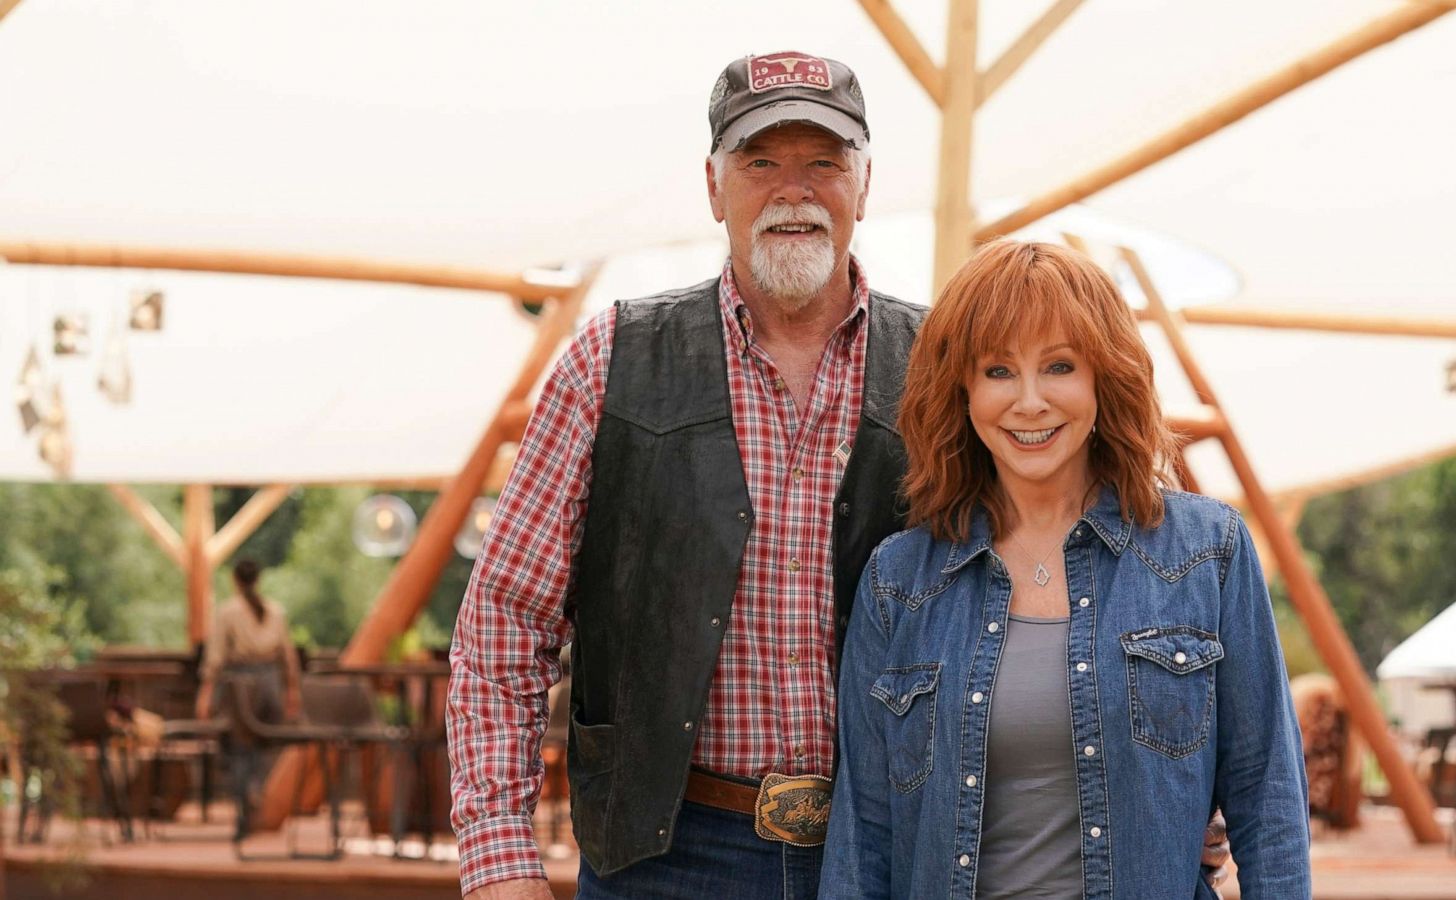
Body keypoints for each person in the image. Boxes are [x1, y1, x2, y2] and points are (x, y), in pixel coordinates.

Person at [447, 53, 1229, 900]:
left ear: (863, 183)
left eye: (824, 161)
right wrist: (498, 864)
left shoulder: (949, 364)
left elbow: (1081, 548)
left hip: (904, 849)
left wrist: (1179, 776)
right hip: (666, 859)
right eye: (760, 162)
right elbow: (504, 627)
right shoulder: (609, 362)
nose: (795, 190)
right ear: (714, 187)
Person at [819, 240, 1311, 899]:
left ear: (1103, 378)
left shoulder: (1206, 552)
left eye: (1058, 366)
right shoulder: (899, 582)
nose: (1028, 402)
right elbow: (864, 838)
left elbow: (1268, 799)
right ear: (962, 389)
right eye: (998, 371)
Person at [195, 557, 302, 838]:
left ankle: (245, 803)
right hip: (269, 684)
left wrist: (206, 693)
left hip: (241, 686)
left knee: (239, 747)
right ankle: (254, 790)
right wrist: (291, 689)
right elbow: (287, 655)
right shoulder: (275, 611)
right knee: (261, 745)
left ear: (235, 580)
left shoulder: (228, 612)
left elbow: (215, 657)